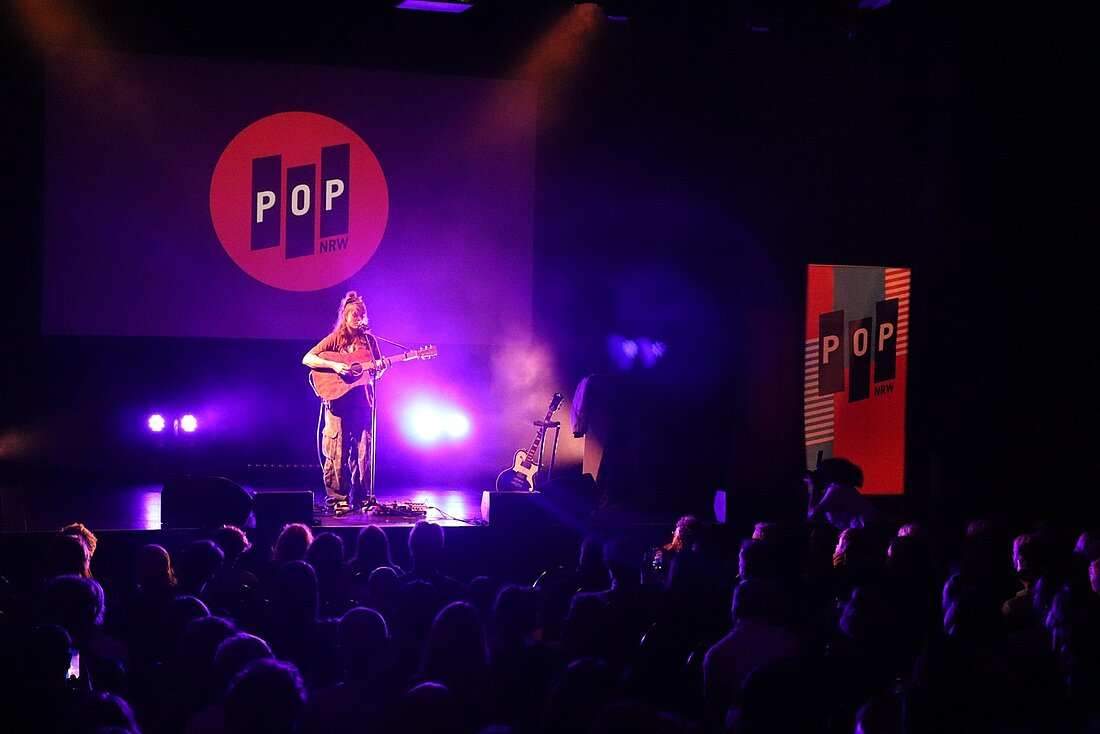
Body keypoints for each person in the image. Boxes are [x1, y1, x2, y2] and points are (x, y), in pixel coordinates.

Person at [303, 290, 386, 512]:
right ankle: (338, 497)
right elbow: (307, 358)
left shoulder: (370, 342)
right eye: (355, 315)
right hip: (338, 403)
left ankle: (362, 497)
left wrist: (381, 370)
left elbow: (374, 372)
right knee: (337, 450)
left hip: (362, 401)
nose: (359, 319)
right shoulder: (336, 339)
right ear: (346, 316)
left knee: (364, 451)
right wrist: (335, 366)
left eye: (362, 315)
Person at [806, 456, 881, 531]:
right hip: (865, 532)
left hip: (862, 534)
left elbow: (812, 515)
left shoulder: (837, 490)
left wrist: (814, 487)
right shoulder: (844, 489)